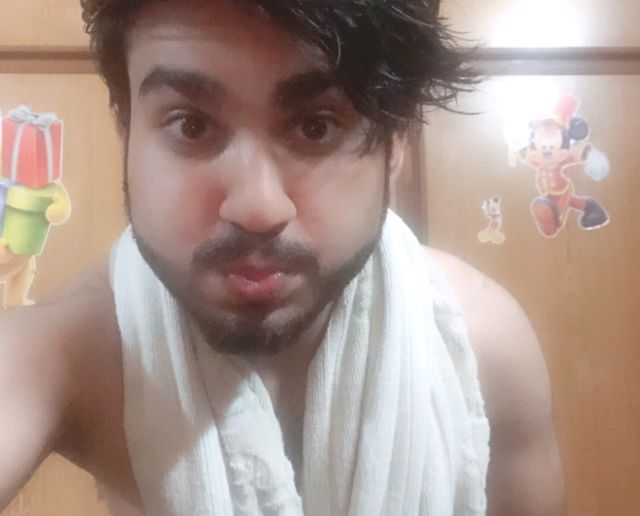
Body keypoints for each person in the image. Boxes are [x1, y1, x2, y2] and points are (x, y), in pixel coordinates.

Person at [0, 1, 566, 514]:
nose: (257, 207)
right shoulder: (66, 355)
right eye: (191, 125)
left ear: (395, 143)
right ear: (126, 132)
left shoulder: (484, 350)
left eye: (316, 126)